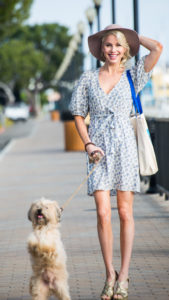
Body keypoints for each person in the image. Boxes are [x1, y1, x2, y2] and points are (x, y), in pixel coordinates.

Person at [69, 24, 162, 300]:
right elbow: (77, 113)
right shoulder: (87, 79)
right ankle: (109, 273)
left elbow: (157, 48)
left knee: (124, 213)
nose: (112, 50)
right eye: (108, 45)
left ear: (126, 49)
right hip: (97, 151)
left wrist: (129, 32)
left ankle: (124, 274)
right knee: (102, 213)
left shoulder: (134, 75)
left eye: (118, 45)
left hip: (125, 150)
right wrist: (87, 143)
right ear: (101, 49)